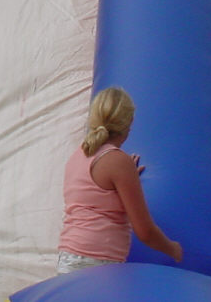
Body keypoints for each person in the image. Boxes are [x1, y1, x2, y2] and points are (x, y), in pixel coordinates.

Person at [57, 87, 183, 274]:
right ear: (129, 122)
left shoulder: (78, 156)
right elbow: (145, 231)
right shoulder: (117, 162)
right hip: (97, 263)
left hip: (68, 259)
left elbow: (95, 194)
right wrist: (172, 248)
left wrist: (126, 178)